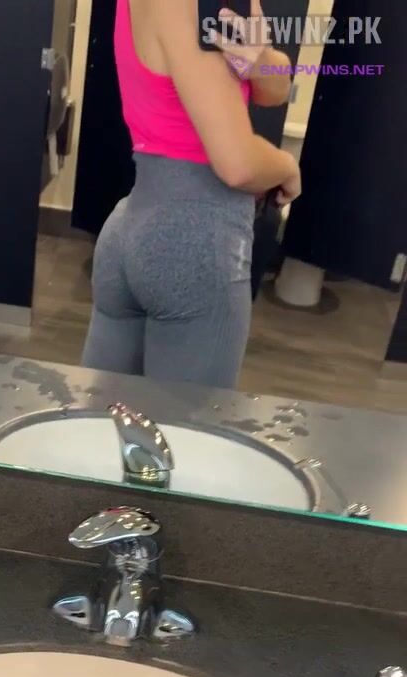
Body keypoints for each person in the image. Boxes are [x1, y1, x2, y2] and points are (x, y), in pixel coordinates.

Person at [81, 0, 301, 387]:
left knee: (103, 420)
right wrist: (286, 166)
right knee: (188, 425)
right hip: (195, 242)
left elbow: (275, 89)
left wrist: (261, 59)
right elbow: (237, 164)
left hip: (131, 229)